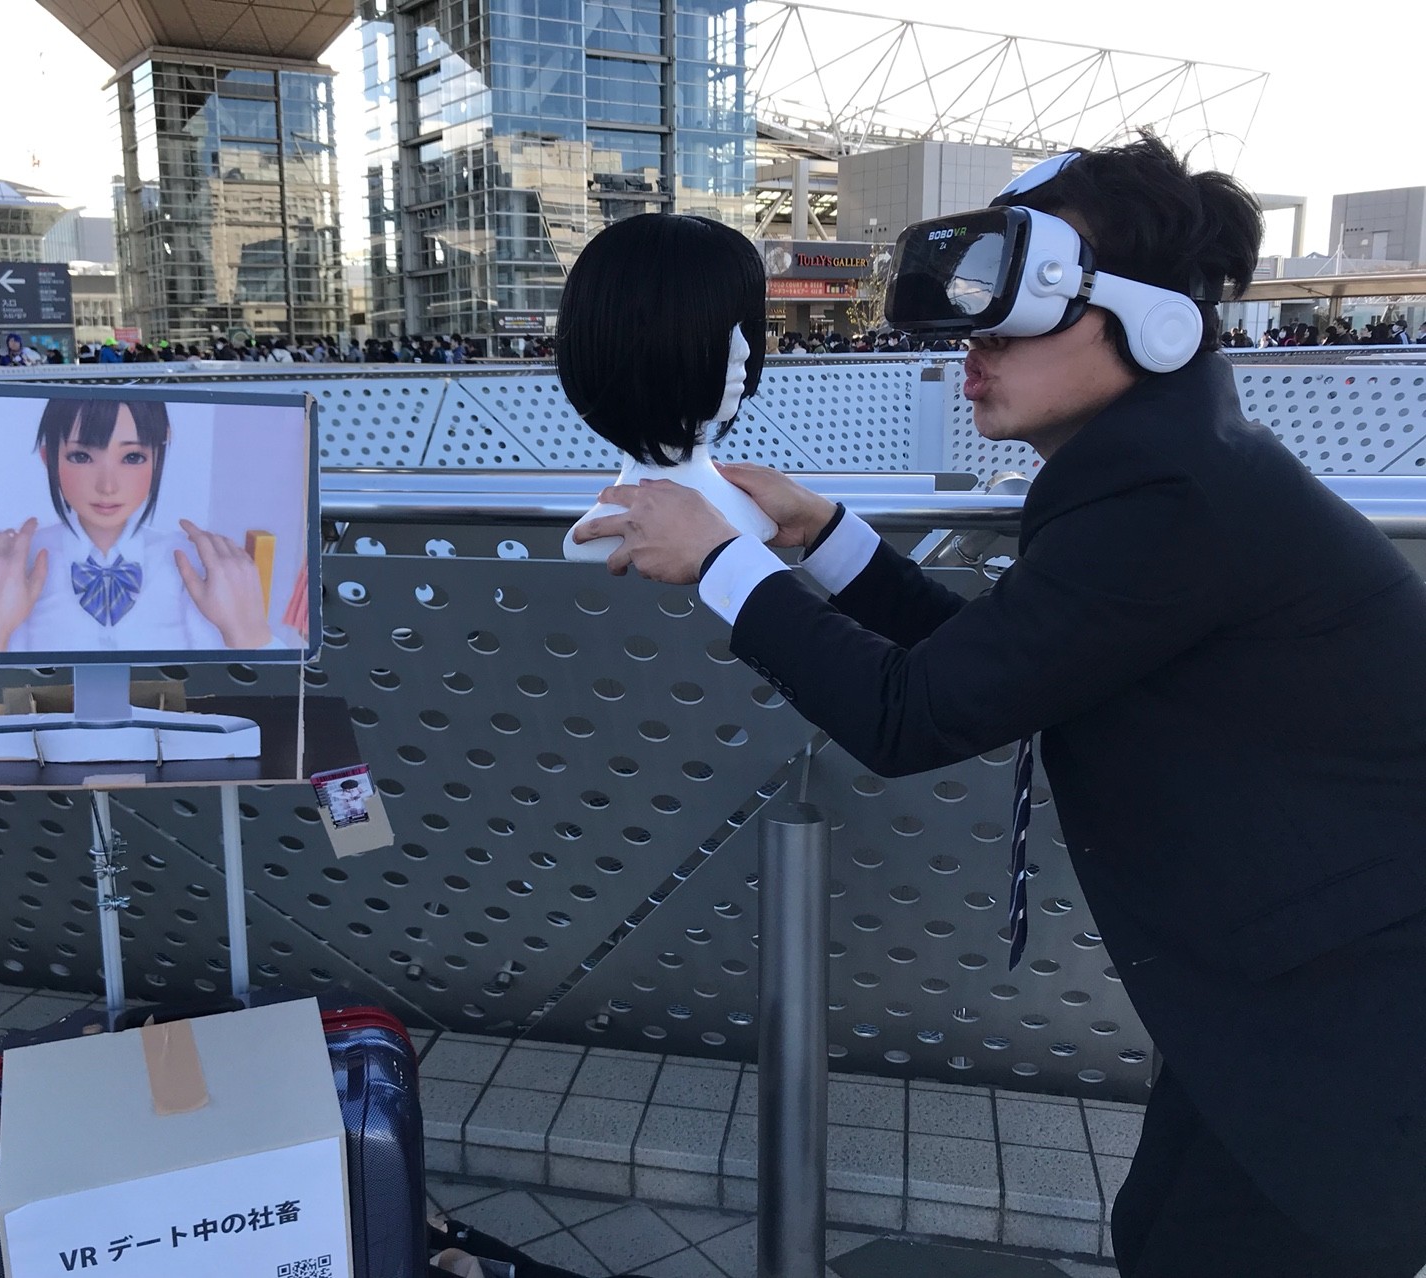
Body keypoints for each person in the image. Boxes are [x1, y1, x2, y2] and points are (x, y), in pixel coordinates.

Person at [574, 135, 1426, 1277]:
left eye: (1011, 318)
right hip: (1297, 993)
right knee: (1167, 1234)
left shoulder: (1172, 496)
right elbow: (989, 664)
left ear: (1150, 324)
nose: (972, 350)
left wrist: (725, 564)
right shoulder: (1166, 466)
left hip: (1357, 1018)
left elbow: (910, 717)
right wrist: (823, 534)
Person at [0, 398, 279, 654]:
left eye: (132, 457)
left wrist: (248, 632)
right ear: (50, 459)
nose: (108, 486)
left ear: (157, 459)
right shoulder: (12, 564)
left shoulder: (193, 562)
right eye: (81, 456)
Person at [557, 213, 776, 564]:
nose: (744, 350)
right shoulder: (754, 511)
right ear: (638, 341)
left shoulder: (758, 507)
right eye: (716, 330)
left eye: (744, 326)